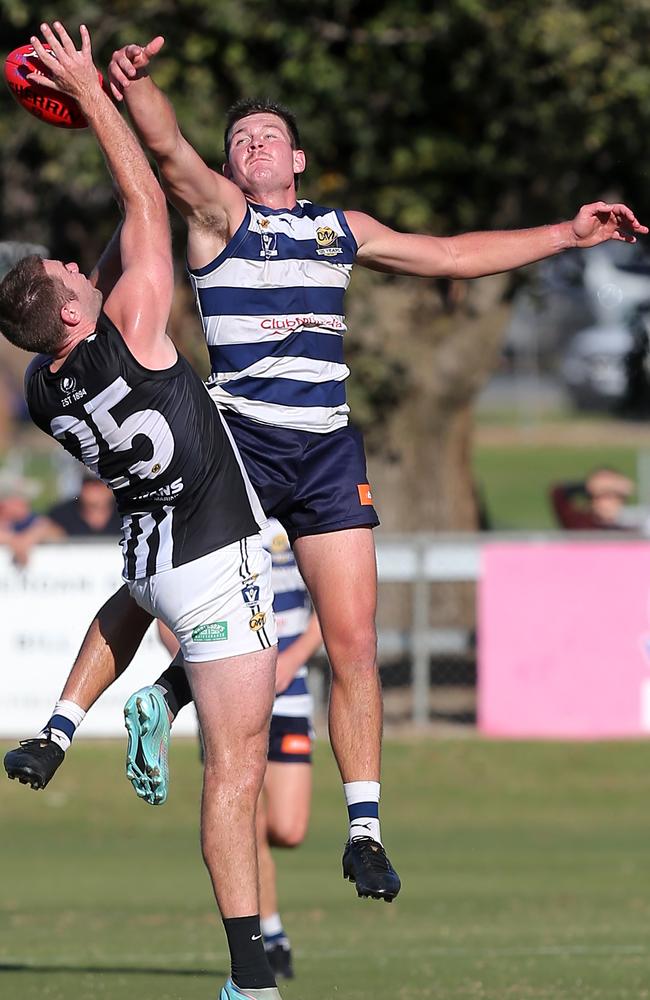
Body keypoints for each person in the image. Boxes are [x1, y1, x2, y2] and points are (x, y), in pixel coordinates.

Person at [8, 33, 646, 906]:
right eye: (241, 139)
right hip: (236, 442)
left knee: (354, 641)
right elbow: (164, 153)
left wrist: (566, 235)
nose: (253, 145)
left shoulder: (341, 230)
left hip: (326, 450)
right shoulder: (219, 217)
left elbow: (454, 255)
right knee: (164, 569)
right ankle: (98, 710)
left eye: (268, 135)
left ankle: (365, 831)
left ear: (299, 159)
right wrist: (138, 86)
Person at [0, 22, 282, 1000]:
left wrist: (102, 112)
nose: (84, 267)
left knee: (146, 611)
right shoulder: (130, 326)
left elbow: (125, 233)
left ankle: (64, 721)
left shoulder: (43, 384)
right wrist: (92, 98)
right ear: (76, 310)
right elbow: (148, 201)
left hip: (150, 555)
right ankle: (251, 974)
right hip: (211, 557)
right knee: (235, 773)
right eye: (72, 275)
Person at [148, 517, 320, 978]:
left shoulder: (296, 507)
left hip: (290, 685)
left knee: (287, 828)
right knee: (248, 821)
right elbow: (169, 616)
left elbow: (332, 605)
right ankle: (269, 933)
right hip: (229, 691)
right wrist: (200, 668)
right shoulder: (214, 507)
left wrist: (293, 658)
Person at [550, 466, 636, 530]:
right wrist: (587, 485)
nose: (605, 502)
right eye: (600, 495)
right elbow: (558, 492)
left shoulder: (633, 526)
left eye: (610, 495)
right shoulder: (579, 523)